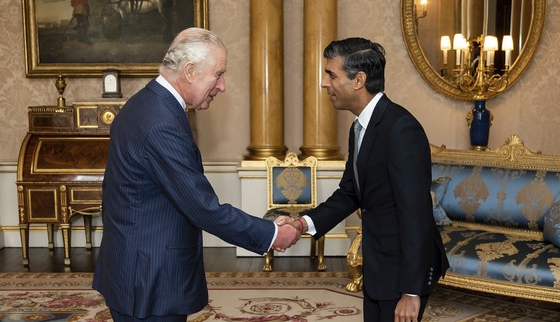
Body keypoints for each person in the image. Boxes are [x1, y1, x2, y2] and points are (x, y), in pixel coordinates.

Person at [92, 27, 302, 322]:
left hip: (136, 267)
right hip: (150, 279)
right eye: (218, 74)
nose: (223, 85)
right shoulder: (161, 123)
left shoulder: (144, 103)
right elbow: (202, 207)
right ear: (190, 71)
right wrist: (272, 234)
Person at [282, 37, 449, 322]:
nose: (324, 83)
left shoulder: (400, 129)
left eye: (331, 74)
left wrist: (411, 291)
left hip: (401, 273)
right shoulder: (360, 126)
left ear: (358, 80)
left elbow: (416, 215)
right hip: (378, 265)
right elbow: (350, 193)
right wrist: (302, 224)